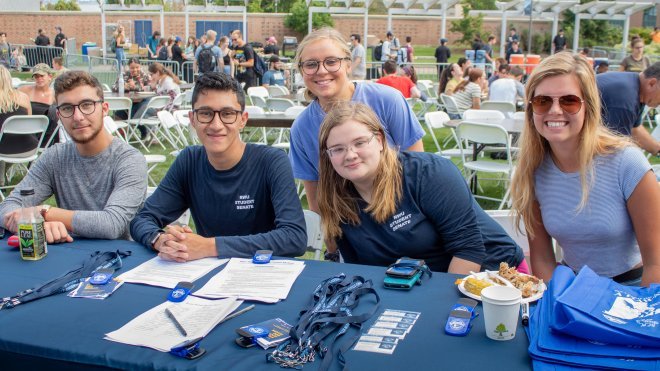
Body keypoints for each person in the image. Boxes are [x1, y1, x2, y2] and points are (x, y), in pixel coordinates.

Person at [317, 102, 525, 273]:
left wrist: (443, 308)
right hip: (413, 285)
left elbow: (468, 250)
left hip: (493, 274)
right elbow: (359, 269)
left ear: (380, 140)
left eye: (360, 143)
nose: (350, 154)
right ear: (328, 155)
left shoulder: (428, 173)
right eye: (338, 149)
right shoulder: (336, 198)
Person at [510, 52, 660, 287]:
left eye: (569, 100)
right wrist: (557, 303)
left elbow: (656, 263)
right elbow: (541, 257)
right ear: (531, 110)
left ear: (588, 106)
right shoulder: (533, 170)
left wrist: (636, 314)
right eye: (543, 101)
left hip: (633, 287)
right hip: (572, 287)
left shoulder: (627, 162)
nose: (555, 110)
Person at [130, 72, 306, 261]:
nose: (216, 124)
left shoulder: (271, 161)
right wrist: (161, 240)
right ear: (193, 119)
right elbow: (142, 219)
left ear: (243, 120)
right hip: (208, 277)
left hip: (263, 275)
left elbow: (294, 238)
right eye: (206, 113)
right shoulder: (189, 161)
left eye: (227, 114)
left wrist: (209, 246)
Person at [289, 27, 425, 225]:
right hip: (350, 229)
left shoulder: (387, 100)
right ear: (302, 71)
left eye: (331, 61)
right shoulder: (301, 129)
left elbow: (420, 170)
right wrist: (334, 249)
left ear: (348, 64)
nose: (322, 70)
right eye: (311, 64)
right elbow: (318, 201)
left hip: (405, 218)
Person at [0, 70, 147, 244]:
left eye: (86, 105)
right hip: (67, 255)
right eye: (67, 108)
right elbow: (7, 207)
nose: (78, 117)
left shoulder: (129, 159)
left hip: (119, 259)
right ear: (59, 115)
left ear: (104, 109)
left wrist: (44, 213)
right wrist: (30, 222)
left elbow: (112, 224)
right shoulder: (55, 157)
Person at [597, 62, 660, 155]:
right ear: (652, 83)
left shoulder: (635, 85)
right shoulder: (626, 101)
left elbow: (635, 130)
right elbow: (614, 149)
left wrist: (658, 150)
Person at [0, 65, 34, 186]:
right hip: (29, 148)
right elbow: (29, 124)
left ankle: (1, 178)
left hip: (5, 149)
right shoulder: (24, 97)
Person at [19, 63, 58, 146]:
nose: (39, 79)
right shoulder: (24, 90)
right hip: (25, 129)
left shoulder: (55, 95)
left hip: (46, 132)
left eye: (42, 76)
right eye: (36, 76)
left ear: (50, 77)